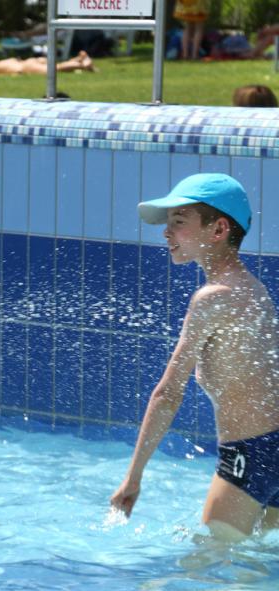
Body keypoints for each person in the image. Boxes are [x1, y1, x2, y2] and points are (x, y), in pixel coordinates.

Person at [110, 173, 279, 542]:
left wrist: (132, 477)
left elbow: (167, 394)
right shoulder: (255, 291)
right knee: (258, 569)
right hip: (274, 448)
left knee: (208, 568)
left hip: (249, 455)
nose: (166, 233)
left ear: (218, 229)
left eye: (179, 222)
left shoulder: (211, 298)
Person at [0, 50, 96, 77]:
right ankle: (78, 59)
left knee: (56, 68)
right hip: (28, 62)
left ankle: (83, 64)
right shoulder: (8, 61)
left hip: (25, 67)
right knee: (57, 66)